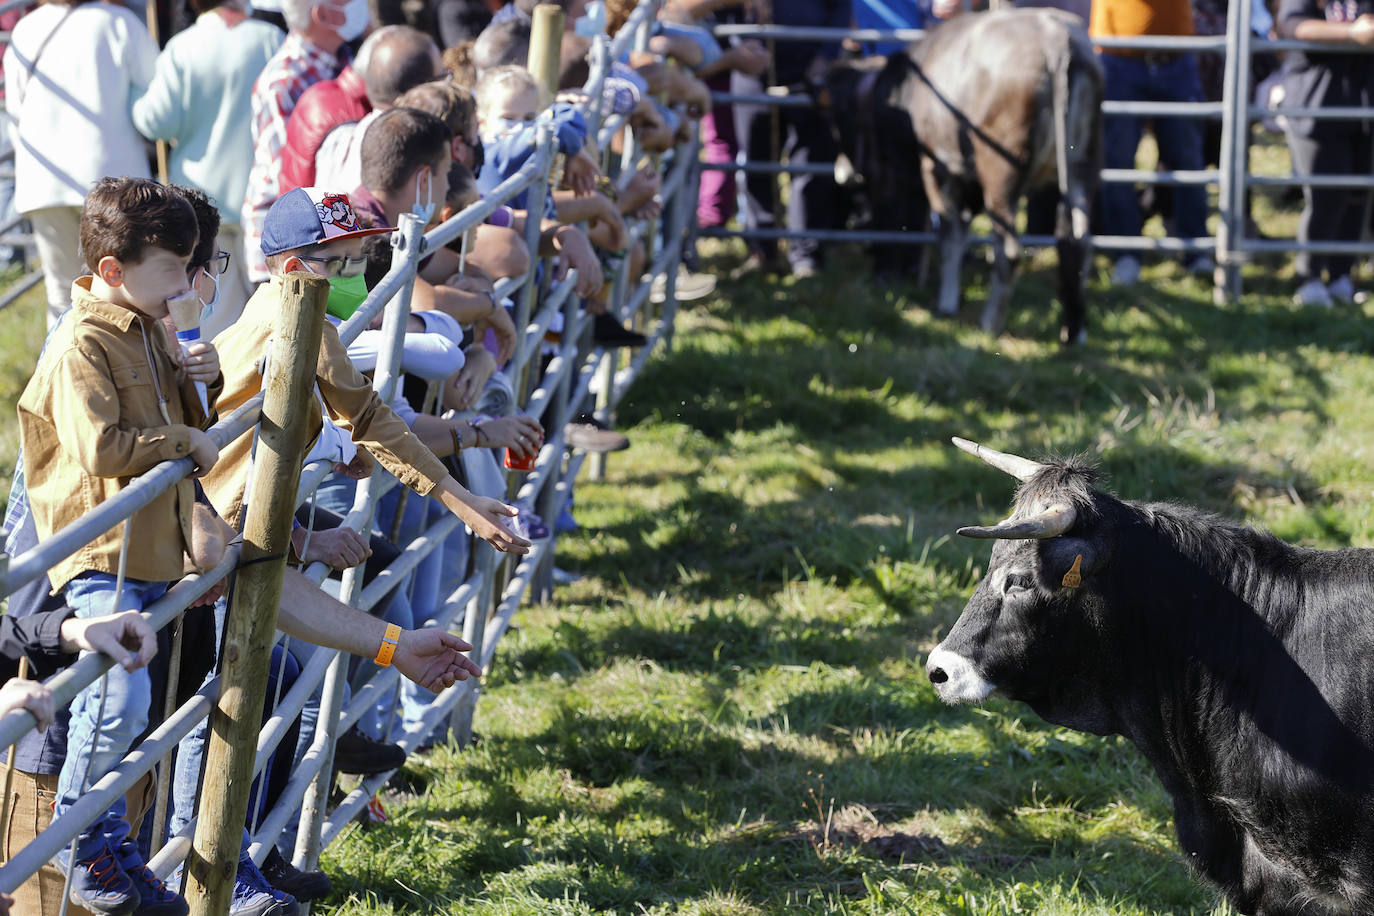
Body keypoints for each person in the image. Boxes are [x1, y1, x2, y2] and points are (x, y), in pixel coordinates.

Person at [17, 177, 224, 916]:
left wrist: (202, 373)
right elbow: (102, 447)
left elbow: (184, 415)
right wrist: (188, 440)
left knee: (133, 702)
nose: (186, 282)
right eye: (174, 266)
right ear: (113, 270)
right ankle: (82, 840)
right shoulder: (80, 343)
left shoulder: (145, 327)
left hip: (148, 551)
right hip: (99, 550)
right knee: (118, 693)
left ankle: (109, 841)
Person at [131, 0, 284, 337]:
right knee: (271, 318)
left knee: (218, 321)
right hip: (264, 204)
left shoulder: (182, 47)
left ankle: (221, 390)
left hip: (201, 205)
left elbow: (156, 122)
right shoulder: (271, 38)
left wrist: (133, 94)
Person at [4, 0, 158, 328]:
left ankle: (63, 374)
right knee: (123, 289)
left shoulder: (26, 28)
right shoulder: (119, 22)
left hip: (44, 181)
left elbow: (14, 108)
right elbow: (154, 94)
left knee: (62, 295)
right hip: (112, 183)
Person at [242, 0, 371, 285]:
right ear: (323, 14)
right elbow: (287, 180)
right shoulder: (284, 81)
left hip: (329, 241)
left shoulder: (344, 60)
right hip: (287, 253)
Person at [1091, 0, 1215, 284]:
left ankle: (1195, 252)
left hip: (1177, 59)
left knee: (1187, 160)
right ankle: (1125, 254)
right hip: (1118, 59)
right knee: (1117, 161)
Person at [731, 0, 851, 278]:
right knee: (756, 164)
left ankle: (806, 256)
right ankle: (763, 250)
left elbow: (842, 6)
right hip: (753, 67)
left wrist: (826, 55)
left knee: (810, 164)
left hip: (810, 69)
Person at [1276, 0, 1374, 306]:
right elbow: (1292, 25)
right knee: (1326, 197)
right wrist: (1351, 33)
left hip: (1364, 107)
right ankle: (1309, 278)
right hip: (1317, 105)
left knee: (1358, 196)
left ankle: (1341, 276)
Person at [283, 24, 443, 195]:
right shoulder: (377, 139)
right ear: (420, 90)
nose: (447, 85)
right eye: (443, 76)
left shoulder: (323, 94)